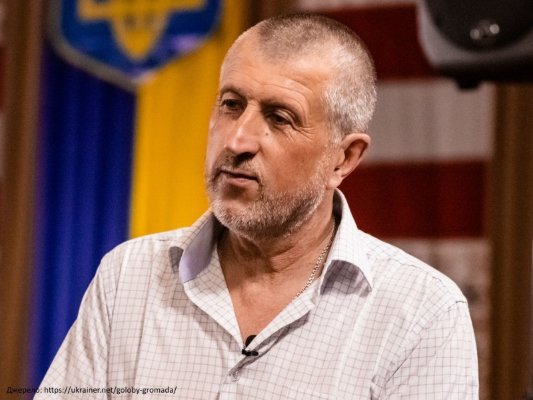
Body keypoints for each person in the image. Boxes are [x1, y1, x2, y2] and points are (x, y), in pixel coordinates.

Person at [36, 13, 479, 399]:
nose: (237, 140)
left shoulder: (421, 314)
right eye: (231, 105)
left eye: (279, 117)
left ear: (343, 158)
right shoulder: (127, 278)